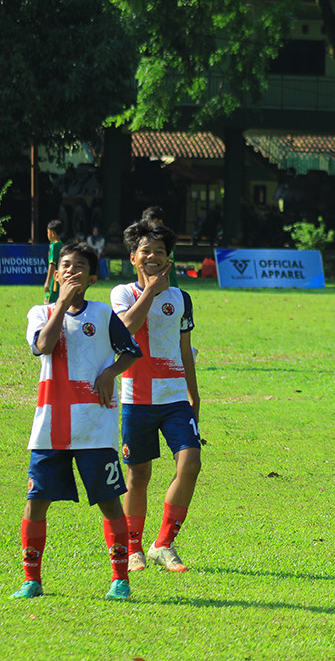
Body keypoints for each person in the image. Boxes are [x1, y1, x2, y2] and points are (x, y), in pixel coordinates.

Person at [12, 242, 142, 601]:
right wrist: (61, 306)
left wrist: (110, 374)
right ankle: (31, 579)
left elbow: (131, 351)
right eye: (65, 266)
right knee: (36, 500)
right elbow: (43, 345)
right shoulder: (39, 312)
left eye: (80, 267)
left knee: (109, 501)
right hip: (50, 425)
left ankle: (120, 580)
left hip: (94, 426)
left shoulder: (102, 314)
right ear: (56, 275)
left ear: (92, 277)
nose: (71, 271)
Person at [110, 218, 202, 573]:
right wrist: (149, 290)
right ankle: (134, 549)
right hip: (136, 398)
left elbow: (184, 348)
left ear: (169, 259)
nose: (152, 256)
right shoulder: (122, 294)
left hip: (176, 397)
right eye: (145, 251)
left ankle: (163, 543)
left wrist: (195, 396)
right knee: (138, 476)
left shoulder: (182, 298)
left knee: (190, 463)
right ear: (133, 257)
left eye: (160, 252)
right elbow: (125, 331)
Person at [141, 206, 180, 288]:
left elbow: (170, 261)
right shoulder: (141, 239)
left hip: (169, 283)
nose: (158, 223)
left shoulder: (166, 238)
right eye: (155, 221)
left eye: (160, 221)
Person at [43, 220, 64, 303]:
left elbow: (52, 264)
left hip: (55, 280)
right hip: (62, 278)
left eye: (48, 233)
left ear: (52, 233)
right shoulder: (62, 245)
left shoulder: (54, 246)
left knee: (49, 301)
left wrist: (47, 282)